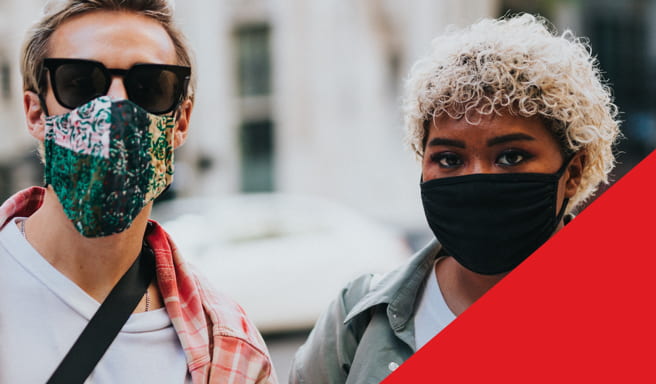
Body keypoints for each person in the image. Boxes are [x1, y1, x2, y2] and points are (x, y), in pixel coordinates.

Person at [289, 13, 620, 383]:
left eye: (510, 156)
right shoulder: (358, 317)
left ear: (572, 173)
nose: (476, 177)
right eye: (449, 159)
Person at [0, 1, 277, 383]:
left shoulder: (231, 348)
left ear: (180, 122)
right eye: (80, 83)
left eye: (148, 87)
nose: (115, 105)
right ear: (35, 113)